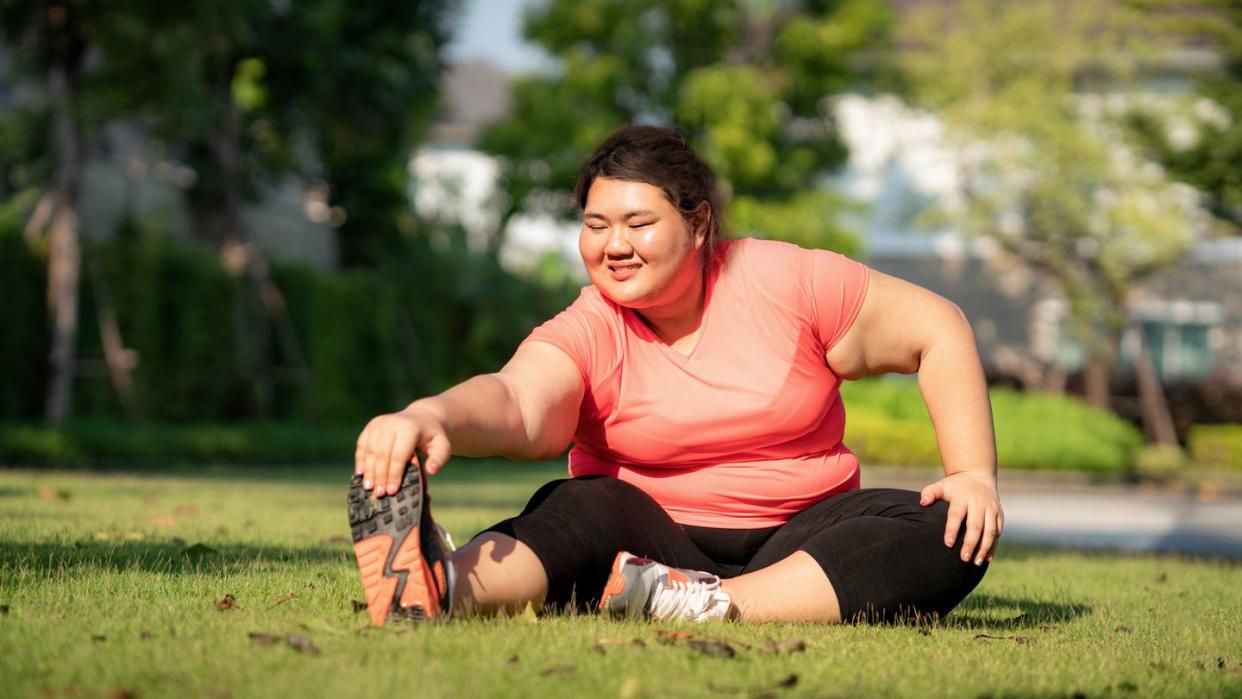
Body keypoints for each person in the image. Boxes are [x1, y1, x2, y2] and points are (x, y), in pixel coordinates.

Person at [347, 124, 1003, 627]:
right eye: (596, 225)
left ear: (697, 225)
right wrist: (431, 414)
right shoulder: (592, 323)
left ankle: (708, 602)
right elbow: (518, 399)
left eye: (637, 223)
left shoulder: (784, 280)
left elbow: (937, 327)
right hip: (644, 541)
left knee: (951, 529)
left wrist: (972, 473)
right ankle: (443, 584)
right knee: (579, 506)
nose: (613, 245)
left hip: (804, 538)